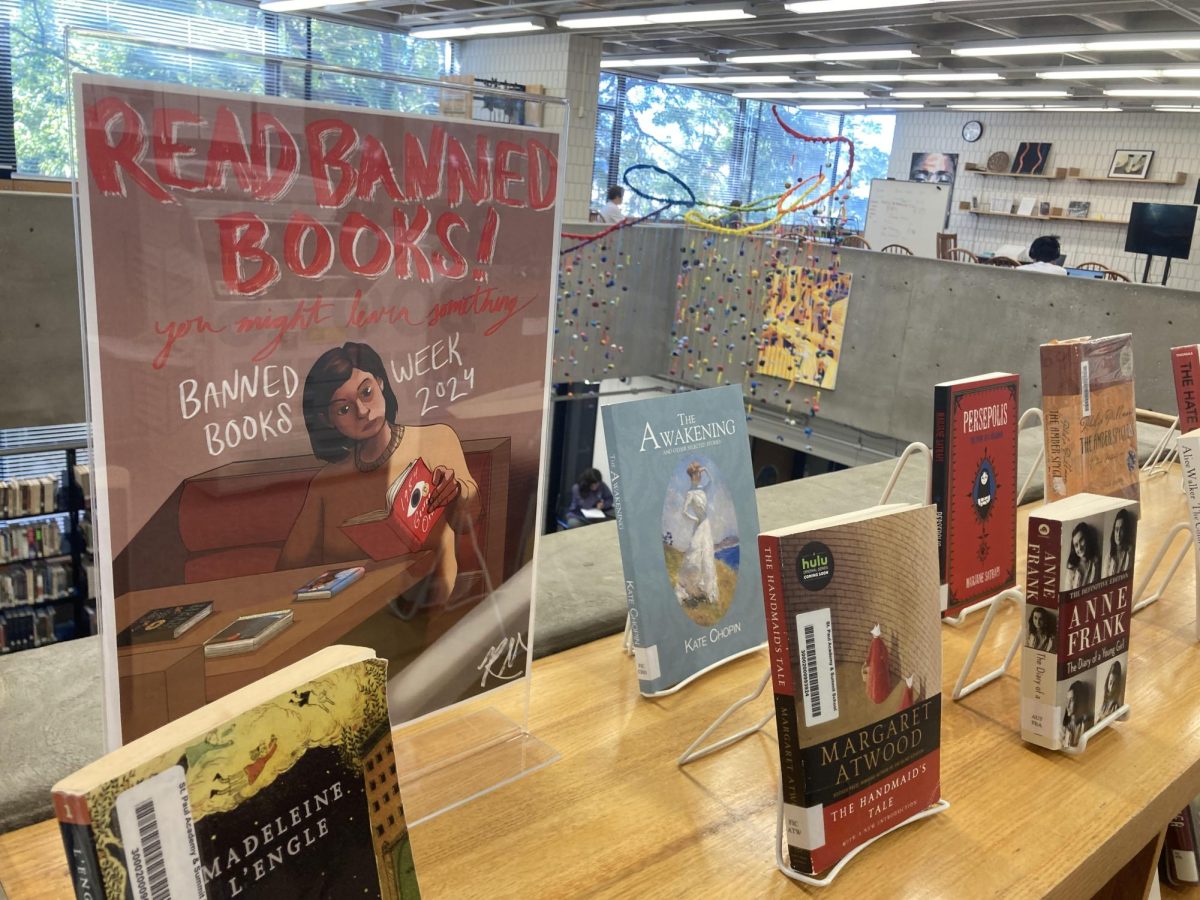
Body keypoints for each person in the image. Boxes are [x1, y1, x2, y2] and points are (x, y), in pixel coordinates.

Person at [279, 342, 478, 615]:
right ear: (327, 420)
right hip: (345, 612)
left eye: (366, 392)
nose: (362, 411)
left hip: (427, 604)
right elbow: (290, 564)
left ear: (381, 382)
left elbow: (468, 521)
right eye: (344, 410)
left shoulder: (435, 439)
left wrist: (455, 492)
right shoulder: (328, 481)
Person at [674, 461, 717, 607]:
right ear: (691, 476)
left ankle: (706, 590)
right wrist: (695, 518)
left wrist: (705, 470)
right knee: (695, 552)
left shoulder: (703, 490)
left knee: (707, 553)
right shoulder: (690, 493)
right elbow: (684, 511)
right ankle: (690, 587)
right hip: (699, 524)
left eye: (698, 474)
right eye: (696, 474)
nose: (698, 476)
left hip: (706, 525)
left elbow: (712, 480)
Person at [1066, 521, 1101, 590]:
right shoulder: (1071, 569)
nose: (1079, 547)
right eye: (1076, 545)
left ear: (1087, 539)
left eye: (1081, 540)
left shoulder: (1096, 563)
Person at [1060, 680, 1093, 749]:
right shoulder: (1062, 729)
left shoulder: (1087, 725)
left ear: (1079, 701)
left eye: (1071, 700)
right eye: (1067, 700)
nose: (1067, 705)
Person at [1105, 508, 1135, 576]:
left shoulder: (1130, 553)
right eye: (1116, 529)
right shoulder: (1108, 557)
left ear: (1126, 531)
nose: (1118, 534)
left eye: (1121, 529)